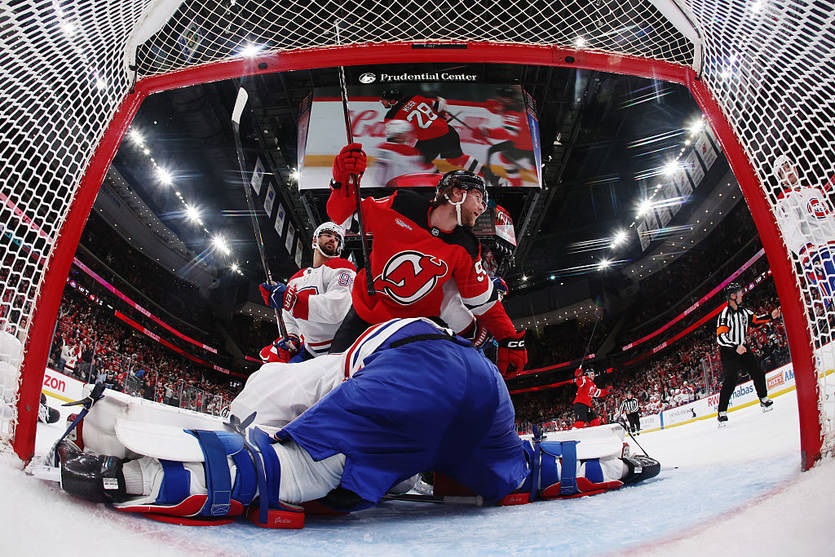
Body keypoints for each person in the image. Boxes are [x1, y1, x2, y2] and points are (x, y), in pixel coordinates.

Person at [56, 318, 659, 529]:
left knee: (286, 471)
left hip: (415, 377)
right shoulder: (382, 348)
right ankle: (616, 462)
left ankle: (131, 476)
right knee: (520, 471)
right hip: (484, 382)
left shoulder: (295, 372)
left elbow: (264, 434)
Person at [326, 144, 527, 377]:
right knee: (331, 376)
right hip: (364, 315)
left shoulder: (467, 246)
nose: (482, 207)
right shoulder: (401, 205)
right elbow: (343, 214)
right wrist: (342, 182)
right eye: (479, 197)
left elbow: (484, 302)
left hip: (412, 330)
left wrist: (508, 338)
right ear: (457, 193)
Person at [259, 222, 356, 362]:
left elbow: (337, 308)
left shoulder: (343, 268)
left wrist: (292, 301)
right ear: (315, 240)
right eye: (328, 235)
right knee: (271, 372)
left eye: (337, 239)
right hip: (309, 351)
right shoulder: (295, 279)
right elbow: (289, 317)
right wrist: (292, 338)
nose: (332, 239)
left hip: (339, 351)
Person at [715, 282, 781, 426]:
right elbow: (721, 337)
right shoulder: (724, 315)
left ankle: (763, 399)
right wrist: (735, 346)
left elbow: (756, 320)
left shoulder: (744, 311)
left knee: (757, 372)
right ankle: (722, 412)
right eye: (739, 292)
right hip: (729, 350)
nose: (742, 294)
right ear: (733, 296)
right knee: (731, 379)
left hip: (742, 347)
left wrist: (771, 316)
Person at [771, 155, 835, 304]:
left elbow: (827, 218)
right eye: (782, 171)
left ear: (795, 167)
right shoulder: (784, 199)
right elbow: (791, 231)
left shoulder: (814, 191)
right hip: (822, 254)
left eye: (788, 166)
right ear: (781, 179)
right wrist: (807, 255)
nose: (787, 171)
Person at [380, 88, 483, 176]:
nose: (381, 101)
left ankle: (437, 180)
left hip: (429, 140)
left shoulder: (391, 117)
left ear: (393, 101)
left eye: (384, 99)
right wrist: (442, 115)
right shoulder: (416, 98)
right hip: (447, 131)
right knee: (457, 159)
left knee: (418, 163)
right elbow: (440, 105)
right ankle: (487, 174)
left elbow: (399, 138)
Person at [476, 87, 536, 187]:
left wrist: (486, 132)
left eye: (502, 99)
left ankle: (517, 184)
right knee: (504, 156)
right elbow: (496, 107)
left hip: (526, 146)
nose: (500, 101)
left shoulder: (514, 111)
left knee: (508, 156)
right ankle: (516, 183)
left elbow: (507, 133)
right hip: (523, 142)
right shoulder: (515, 104)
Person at [372, 119, 440, 187]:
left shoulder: (381, 147)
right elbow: (420, 172)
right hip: (399, 188)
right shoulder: (407, 151)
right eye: (406, 133)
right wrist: (433, 168)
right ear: (399, 135)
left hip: (379, 187)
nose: (409, 135)